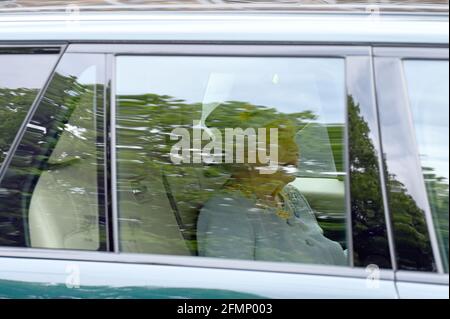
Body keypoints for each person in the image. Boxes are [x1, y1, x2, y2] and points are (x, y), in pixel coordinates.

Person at [196, 117, 347, 265]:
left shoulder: (290, 194)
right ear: (245, 152)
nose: (294, 148)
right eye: (280, 141)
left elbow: (321, 254)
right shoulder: (226, 213)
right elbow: (234, 284)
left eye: (292, 139)